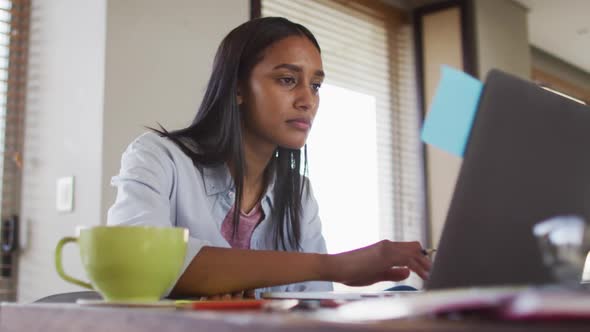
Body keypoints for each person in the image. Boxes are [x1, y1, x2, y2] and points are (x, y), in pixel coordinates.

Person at [107, 17, 431, 299]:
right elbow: (139, 263)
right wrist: (335, 266)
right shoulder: (158, 157)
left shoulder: (299, 194)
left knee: (405, 296)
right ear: (237, 89)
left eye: (316, 85)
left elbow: (311, 307)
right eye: (288, 80)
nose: (308, 100)